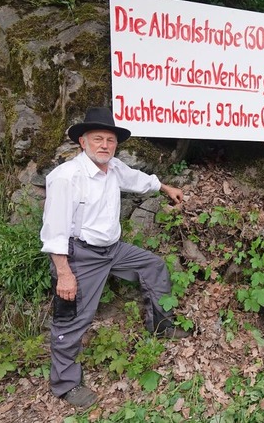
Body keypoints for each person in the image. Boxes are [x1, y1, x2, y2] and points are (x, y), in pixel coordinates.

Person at [40, 107, 190, 408]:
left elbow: (138, 179)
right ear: (83, 142)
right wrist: (65, 273)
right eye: (98, 139)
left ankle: (160, 325)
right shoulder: (67, 177)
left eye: (110, 139)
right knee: (72, 319)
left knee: (154, 266)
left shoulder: (113, 167)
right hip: (79, 255)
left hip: (114, 250)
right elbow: (54, 230)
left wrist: (165, 187)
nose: (105, 145)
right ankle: (66, 384)